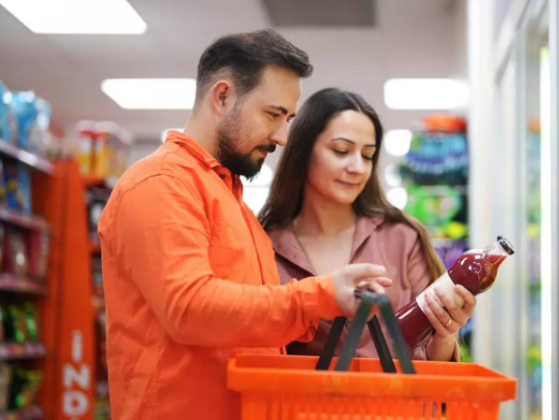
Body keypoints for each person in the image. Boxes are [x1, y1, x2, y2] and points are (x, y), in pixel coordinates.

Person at [97, 32, 391, 420]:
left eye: (288, 119)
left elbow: (248, 325)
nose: (283, 137)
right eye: (273, 115)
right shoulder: (161, 183)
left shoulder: (232, 202)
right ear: (222, 97)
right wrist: (318, 296)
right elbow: (188, 308)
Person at [259, 88, 476, 362]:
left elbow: (432, 361)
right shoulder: (264, 244)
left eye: (368, 155)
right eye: (341, 151)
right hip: (298, 404)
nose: (358, 167)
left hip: (394, 403)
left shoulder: (403, 238)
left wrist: (445, 334)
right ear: (302, 152)